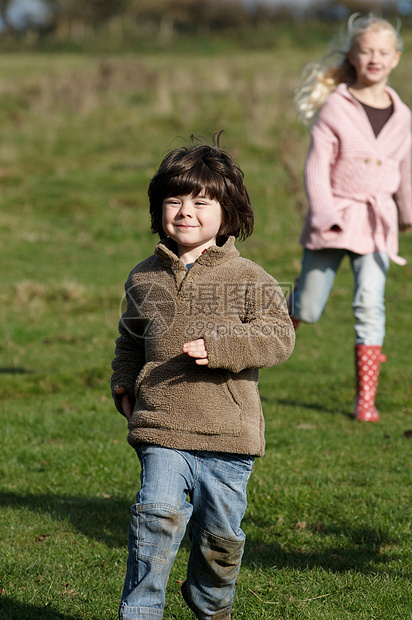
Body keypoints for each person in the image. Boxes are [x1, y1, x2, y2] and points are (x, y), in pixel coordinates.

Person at [111, 136, 295, 620]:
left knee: (220, 540)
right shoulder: (143, 278)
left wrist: (222, 348)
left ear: (228, 212)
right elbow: (130, 340)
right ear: (158, 209)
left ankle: (212, 606)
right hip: (162, 427)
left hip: (229, 435)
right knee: (155, 519)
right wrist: (123, 382)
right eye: (174, 199)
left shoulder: (250, 278)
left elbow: (279, 337)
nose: (185, 211)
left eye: (201, 201)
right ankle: (140, 611)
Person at [289, 13, 412, 422]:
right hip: (336, 219)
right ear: (353, 57)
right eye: (366, 51)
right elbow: (316, 169)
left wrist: (407, 212)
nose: (374, 58)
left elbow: (406, 171)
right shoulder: (335, 109)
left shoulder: (404, 116)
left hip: (378, 225)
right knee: (308, 306)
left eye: (382, 52)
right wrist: (326, 215)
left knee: (369, 305)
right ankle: (257, 350)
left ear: (395, 58)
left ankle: (366, 401)